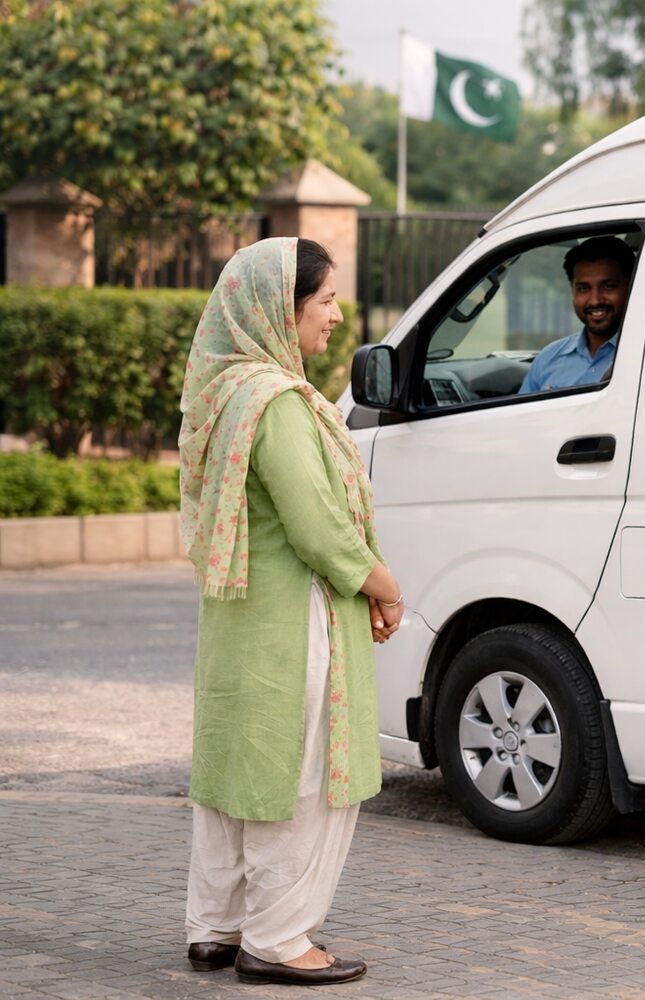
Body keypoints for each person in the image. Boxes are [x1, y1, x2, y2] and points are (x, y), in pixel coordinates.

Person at [179, 238, 402, 986]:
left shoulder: (226, 390)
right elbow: (316, 523)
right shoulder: (274, 400)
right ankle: (275, 938)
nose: (337, 316)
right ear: (282, 308)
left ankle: (216, 924)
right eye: (325, 300)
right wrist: (380, 581)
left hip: (241, 617)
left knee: (238, 772)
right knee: (295, 778)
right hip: (292, 621)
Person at [517, 235, 635, 394]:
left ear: (631, 287)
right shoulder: (548, 360)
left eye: (608, 286)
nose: (595, 300)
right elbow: (522, 418)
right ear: (572, 290)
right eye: (583, 288)